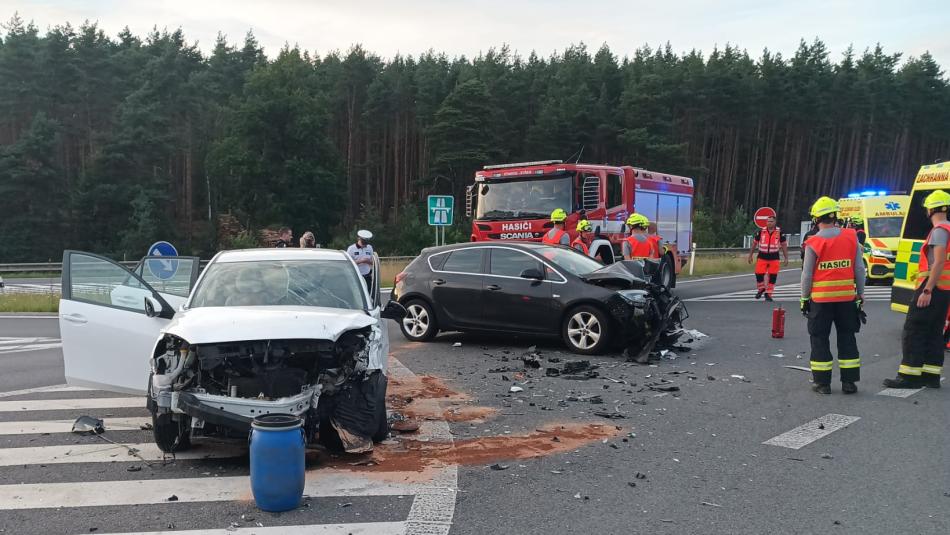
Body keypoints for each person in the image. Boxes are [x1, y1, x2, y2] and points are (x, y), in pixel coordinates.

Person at [883, 190, 950, 389]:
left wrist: (927, 290)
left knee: (914, 329)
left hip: (934, 287)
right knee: (934, 331)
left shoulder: (939, 231)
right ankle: (931, 375)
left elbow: (938, 262)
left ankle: (909, 376)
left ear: (930, 210)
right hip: (945, 288)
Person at [800, 196, 865, 395]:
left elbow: (807, 274)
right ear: (835, 216)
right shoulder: (851, 236)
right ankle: (849, 383)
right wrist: (859, 296)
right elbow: (859, 269)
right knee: (847, 338)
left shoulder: (814, 241)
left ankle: (822, 384)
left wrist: (804, 299)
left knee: (819, 339)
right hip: (846, 300)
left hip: (821, 301)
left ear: (815, 219)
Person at [747, 215, 789, 301]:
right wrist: (750, 255)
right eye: (768, 221)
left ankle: (768, 294)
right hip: (762, 255)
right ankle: (761, 288)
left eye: (771, 221)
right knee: (758, 273)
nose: (769, 223)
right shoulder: (761, 231)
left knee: (773, 276)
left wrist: (786, 258)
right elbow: (754, 244)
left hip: (774, 257)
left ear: (775, 222)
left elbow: (784, 245)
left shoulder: (779, 232)